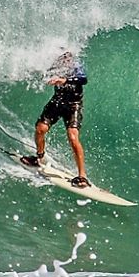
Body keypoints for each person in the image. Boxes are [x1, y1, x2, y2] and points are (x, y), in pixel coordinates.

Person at [20, 50, 90, 188]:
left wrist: (64, 80)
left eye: (68, 58)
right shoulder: (55, 65)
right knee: (40, 129)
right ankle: (38, 157)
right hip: (57, 102)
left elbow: (83, 79)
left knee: (73, 136)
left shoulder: (77, 65)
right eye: (63, 57)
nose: (66, 60)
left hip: (73, 105)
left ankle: (82, 176)